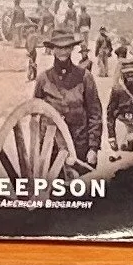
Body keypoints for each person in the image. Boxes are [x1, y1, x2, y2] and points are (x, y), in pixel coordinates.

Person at [33, 30, 103, 166]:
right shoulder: (43, 79)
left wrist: (93, 148)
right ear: (52, 49)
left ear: (72, 49)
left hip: (80, 147)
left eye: (66, 47)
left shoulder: (85, 77)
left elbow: (95, 113)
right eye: (59, 48)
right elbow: (35, 113)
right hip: (51, 148)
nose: (63, 52)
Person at [105, 55, 133, 151]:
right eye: (127, 74)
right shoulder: (117, 90)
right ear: (122, 75)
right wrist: (111, 137)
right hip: (122, 124)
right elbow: (110, 113)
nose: (130, 77)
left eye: (132, 74)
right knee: (121, 152)